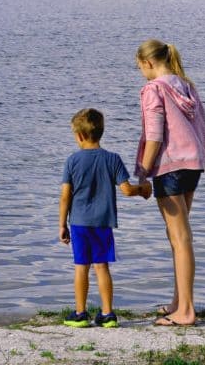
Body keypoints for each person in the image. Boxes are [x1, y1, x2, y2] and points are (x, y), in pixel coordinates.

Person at [134, 39, 205, 326]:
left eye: (140, 67)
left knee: (180, 238)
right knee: (178, 236)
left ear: (148, 63)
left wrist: (142, 173)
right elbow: (201, 126)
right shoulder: (186, 85)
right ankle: (179, 301)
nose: (141, 72)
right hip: (193, 162)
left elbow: (154, 136)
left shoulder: (154, 90)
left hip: (170, 166)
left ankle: (186, 311)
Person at [59, 108, 151, 328]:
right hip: (103, 223)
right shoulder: (112, 159)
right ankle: (107, 314)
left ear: (80, 136)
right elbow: (127, 190)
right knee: (102, 266)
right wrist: (143, 190)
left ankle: (80, 313)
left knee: (81, 266)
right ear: (100, 132)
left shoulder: (72, 161)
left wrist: (62, 224)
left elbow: (65, 197)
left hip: (79, 223)